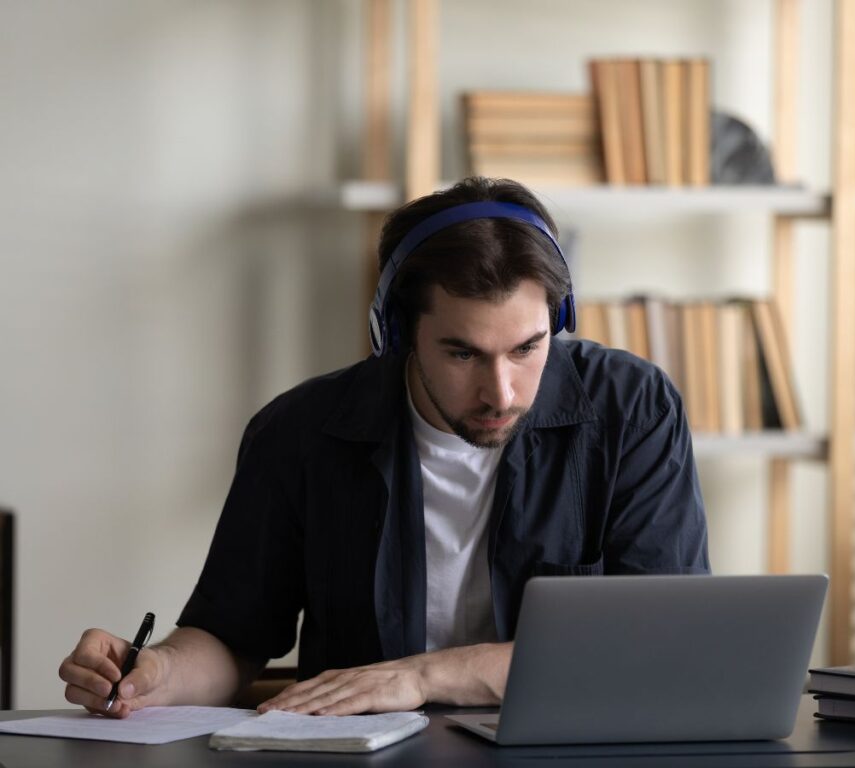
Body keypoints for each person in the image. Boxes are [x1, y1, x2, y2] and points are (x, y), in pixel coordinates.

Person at [59, 176, 710, 718]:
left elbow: (658, 644)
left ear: (558, 322)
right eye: (462, 353)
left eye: (527, 348)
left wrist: (422, 677)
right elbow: (233, 639)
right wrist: (155, 673)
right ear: (395, 333)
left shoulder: (633, 409)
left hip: (570, 751)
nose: (501, 391)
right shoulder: (298, 432)